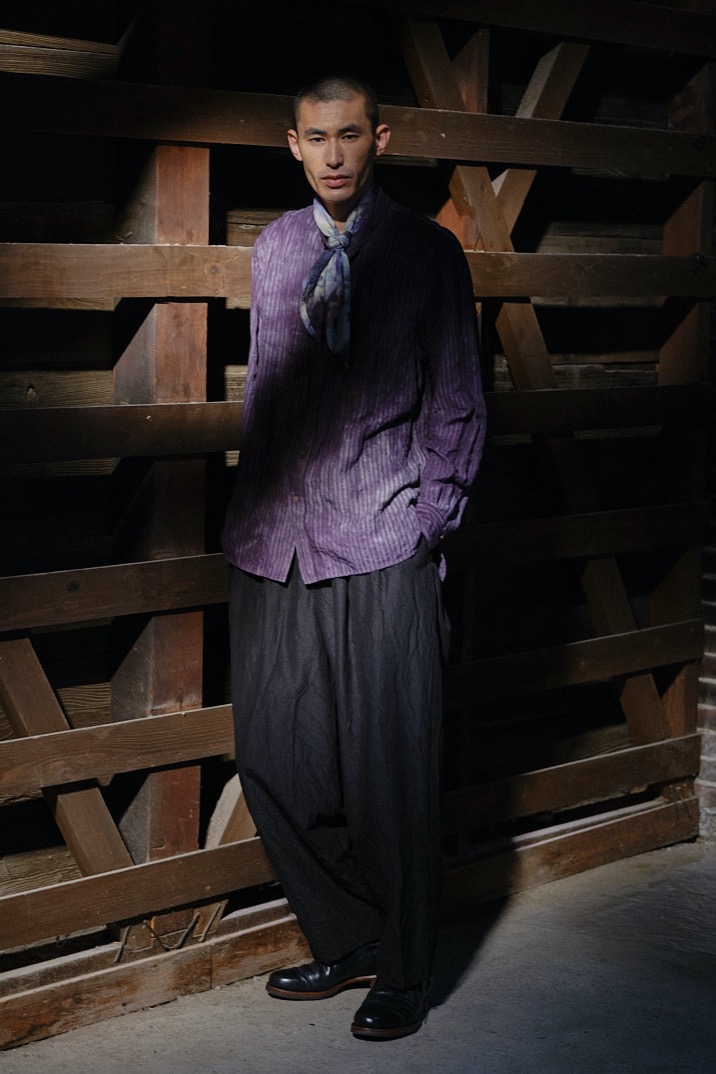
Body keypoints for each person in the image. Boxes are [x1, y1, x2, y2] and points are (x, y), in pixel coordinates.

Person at [222, 75, 486, 1041]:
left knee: (392, 772)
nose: (333, 155)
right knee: (276, 762)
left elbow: (457, 396)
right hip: (275, 544)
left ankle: (406, 971)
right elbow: (268, 389)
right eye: (315, 138)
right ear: (292, 144)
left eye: (350, 135)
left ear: (381, 138)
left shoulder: (426, 252)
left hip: (380, 537)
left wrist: (425, 526)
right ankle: (352, 934)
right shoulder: (275, 249)